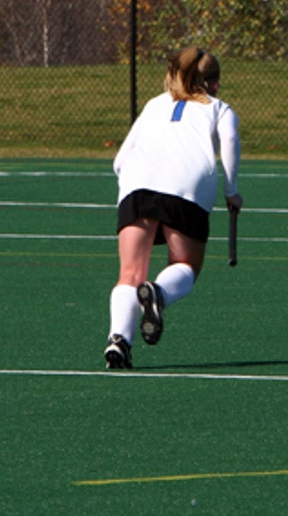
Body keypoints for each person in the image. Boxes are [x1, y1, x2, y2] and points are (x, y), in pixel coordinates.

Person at [104, 46, 242, 369]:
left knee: (129, 273)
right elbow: (231, 144)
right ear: (210, 83)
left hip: (137, 187)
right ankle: (159, 294)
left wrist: (137, 183)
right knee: (185, 265)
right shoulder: (220, 109)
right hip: (187, 190)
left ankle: (118, 342)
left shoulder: (154, 104)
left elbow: (119, 161)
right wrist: (232, 191)